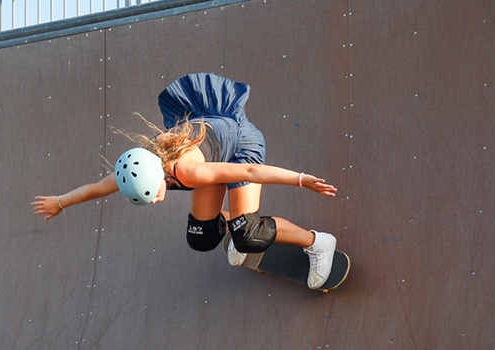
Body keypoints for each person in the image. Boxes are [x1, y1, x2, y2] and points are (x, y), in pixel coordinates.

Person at [32, 73, 338, 289]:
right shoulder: (136, 166)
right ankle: (232, 223)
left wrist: (301, 179)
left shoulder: (191, 173)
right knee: (201, 237)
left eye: (152, 194)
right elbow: (98, 188)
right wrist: (60, 202)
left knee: (248, 234)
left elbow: (249, 173)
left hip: (241, 148)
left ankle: (317, 242)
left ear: (162, 175)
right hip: (213, 150)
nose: (154, 201)